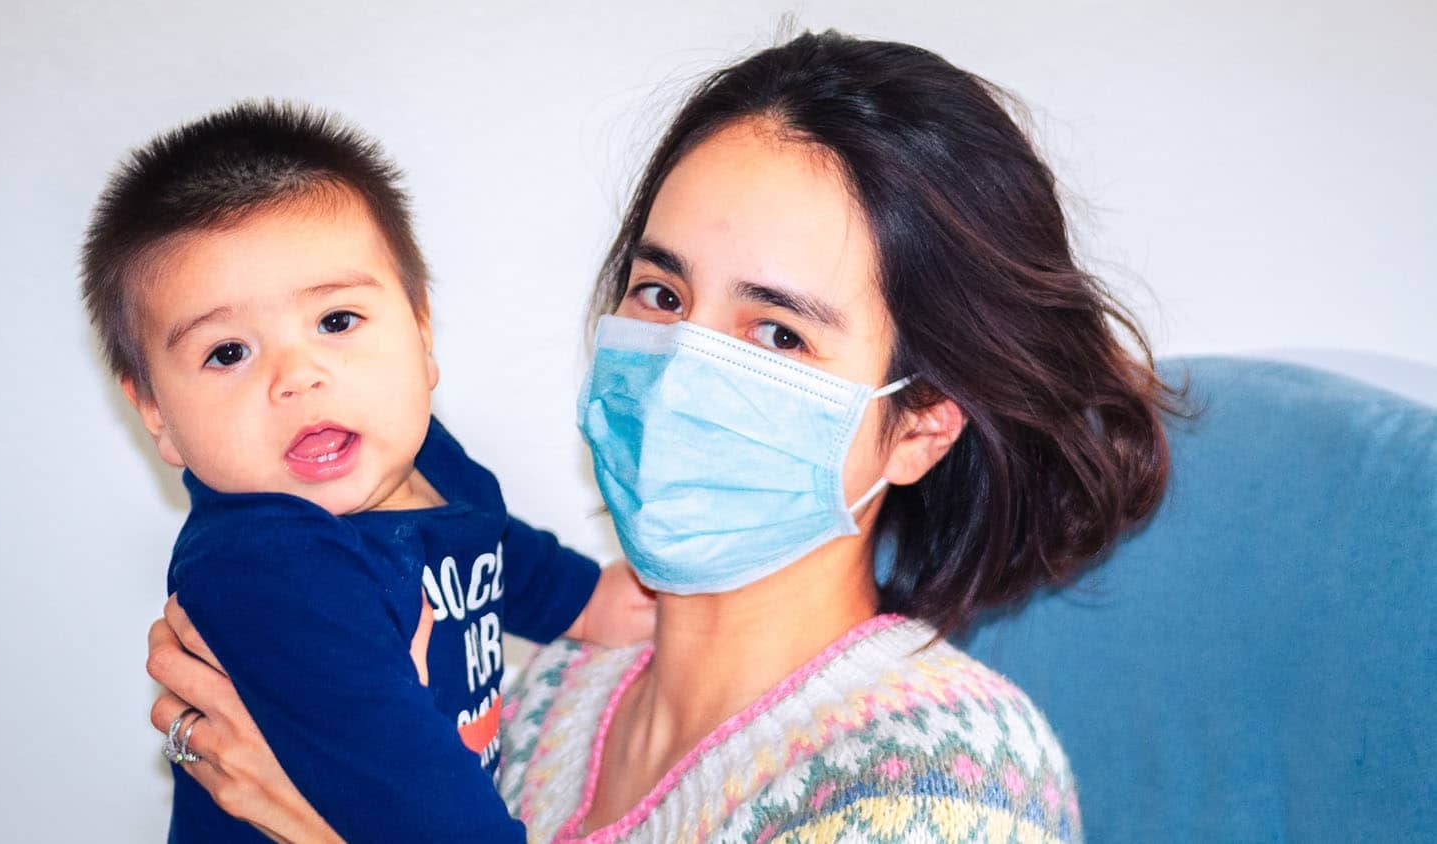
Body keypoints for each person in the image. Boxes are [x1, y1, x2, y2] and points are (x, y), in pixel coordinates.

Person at [145, 30, 1178, 843]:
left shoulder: (944, 778)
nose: (682, 367)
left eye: (777, 331)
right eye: (661, 291)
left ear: (920, 424)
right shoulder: (520, 685)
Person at [82, 102, 654, 842]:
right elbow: (420, 805)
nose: (298, 378)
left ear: (420, 334)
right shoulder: (269, 571)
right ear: (156, 412)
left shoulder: (422, 459)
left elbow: (490, 545)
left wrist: (585, 600)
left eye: (336, 322)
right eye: (229, 353)